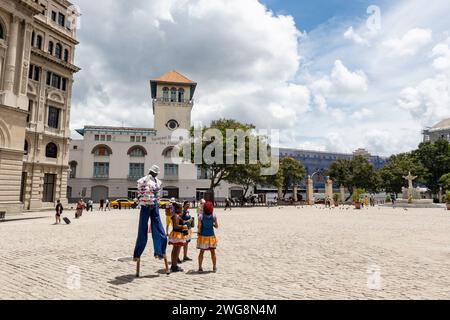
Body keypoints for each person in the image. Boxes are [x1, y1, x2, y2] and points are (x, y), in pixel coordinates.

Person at [133, 165, 169, 276]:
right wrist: (151, 203)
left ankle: (158, 251)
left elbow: (155, 195)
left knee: (156, 230)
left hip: (151, 206)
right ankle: (142, 253)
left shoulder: (155, 181)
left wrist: (152, 202)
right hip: (148, 206)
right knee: (146, 231)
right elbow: (145, 194)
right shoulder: (145, 180)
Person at [197, 201, 218, 273]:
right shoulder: (214, 215)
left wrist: (199, 232)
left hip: (203, 236)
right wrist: (212, 225)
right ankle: (214, 267)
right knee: (213, 252)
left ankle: (200, 267)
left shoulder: (201, 216)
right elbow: (217, 226)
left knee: (201, 252)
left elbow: (199, 227)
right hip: (211, 235)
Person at [168, 202, 188, 272]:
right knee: (176, 250)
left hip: (177, 234)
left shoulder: (176, 215)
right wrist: (183, 226)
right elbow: (176, 226)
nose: (182, 209)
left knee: (175, 250)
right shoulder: (176, 216)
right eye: (181, 208)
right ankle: (174, 266)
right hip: (177, 234)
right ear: (177, 209)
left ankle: (174, 265)